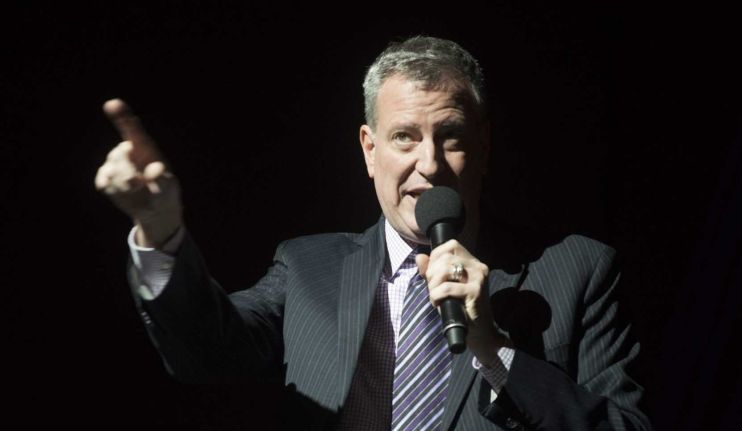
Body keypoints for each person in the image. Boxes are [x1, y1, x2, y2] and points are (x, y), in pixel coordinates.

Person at [95, 36, 651, 430]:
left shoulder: (577, 269)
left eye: (450, 136)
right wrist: (160, 230)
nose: (429, 165)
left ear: (484, 146)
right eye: (405, 137)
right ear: (369, 149)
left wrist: (494, 350)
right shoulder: (309, 267)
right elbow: (207, 353)